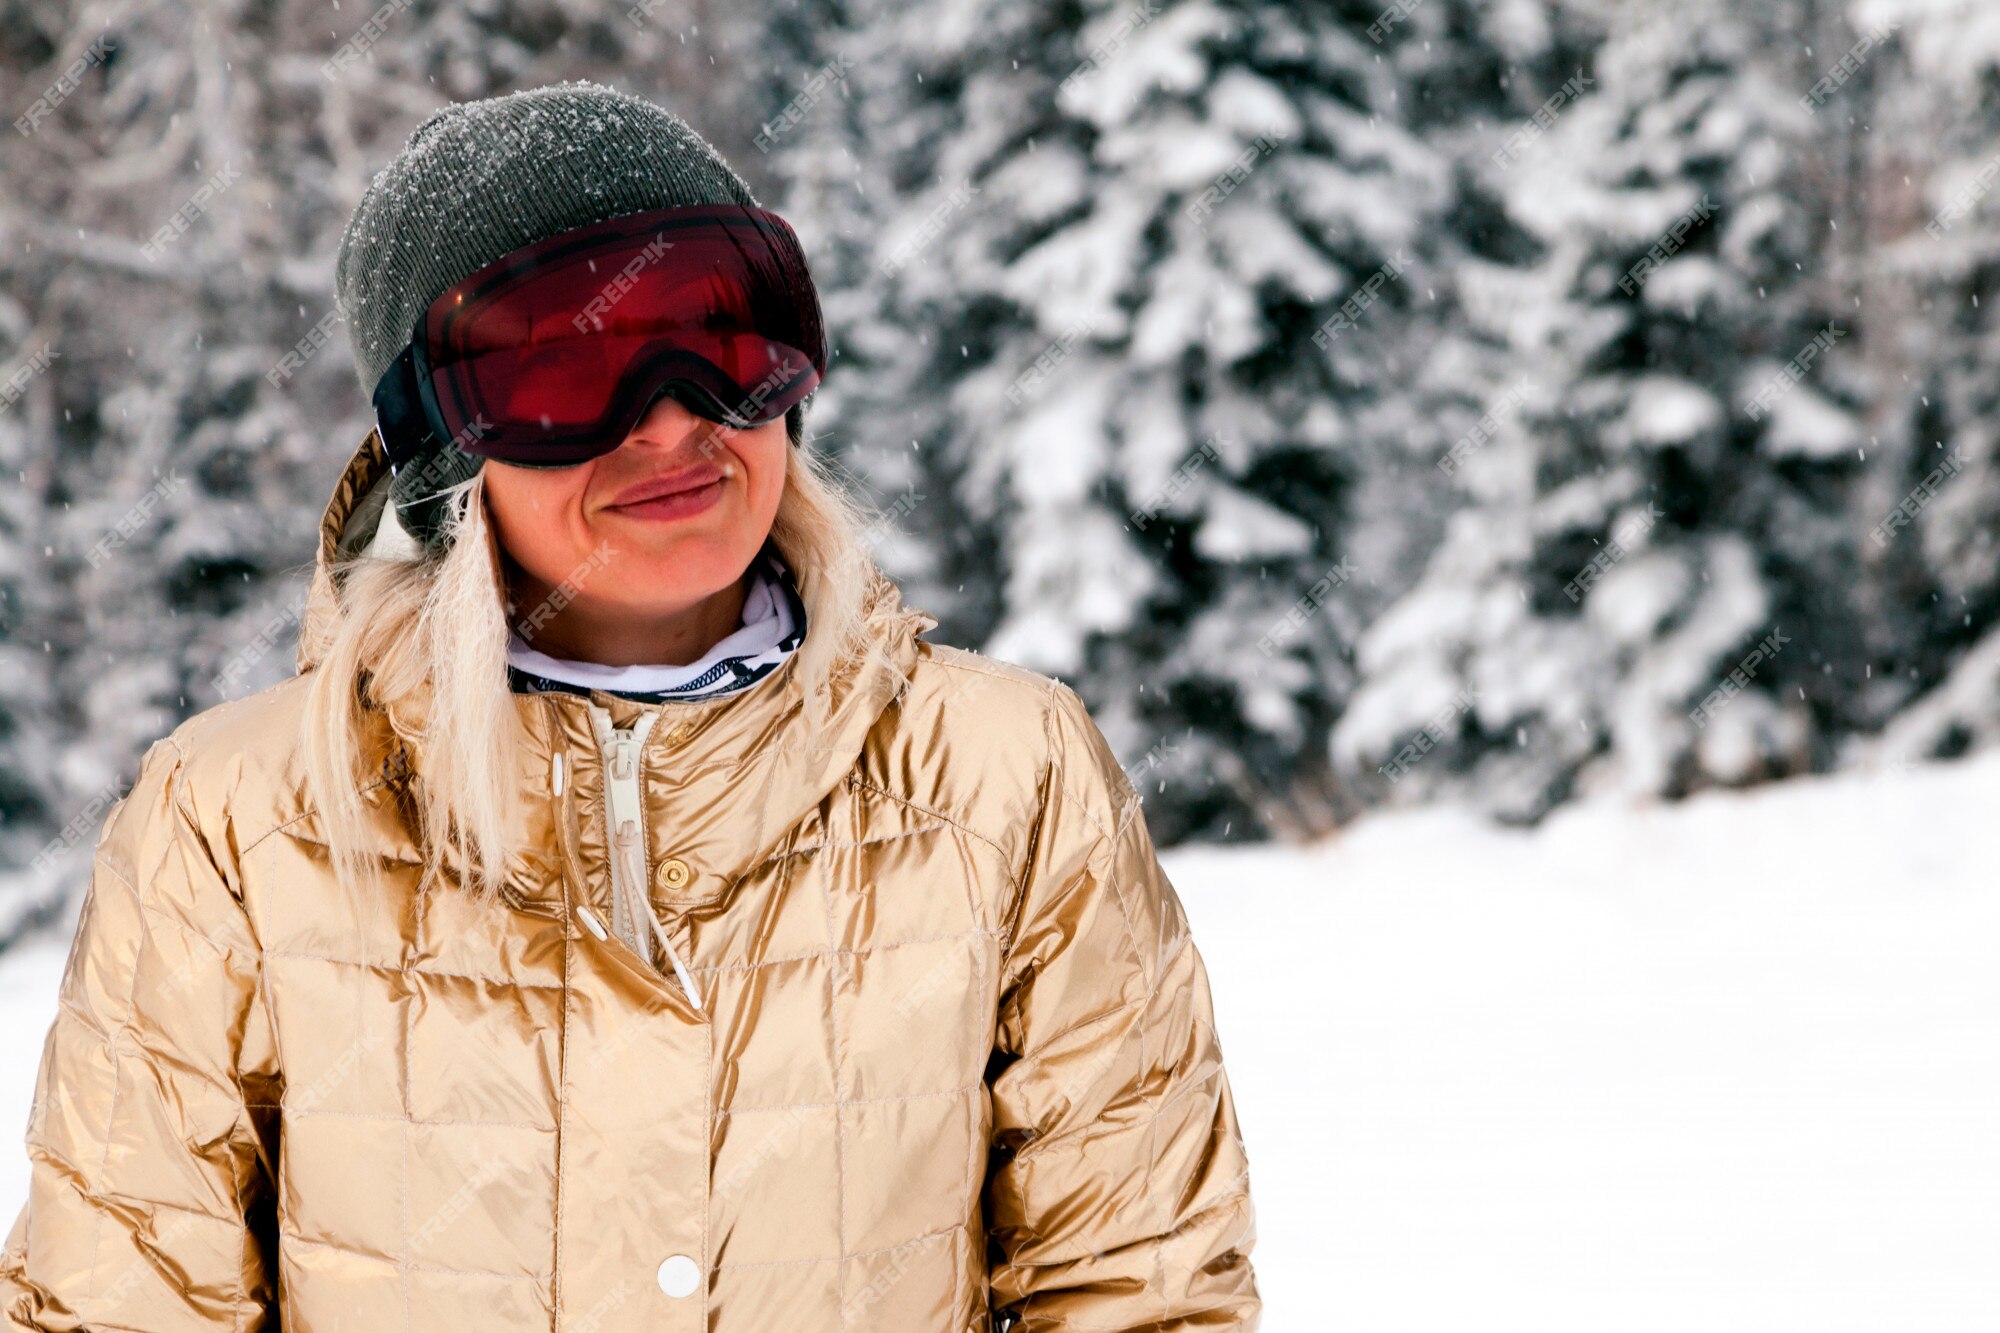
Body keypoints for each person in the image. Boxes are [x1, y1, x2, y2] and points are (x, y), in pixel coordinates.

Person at [0, 81, 1260, 1331]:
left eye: (717, 338)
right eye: (563, 366)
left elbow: (1136, 1291)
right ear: (444, 446)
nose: (668, 420)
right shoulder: (237, 824)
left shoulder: (1002, 776)